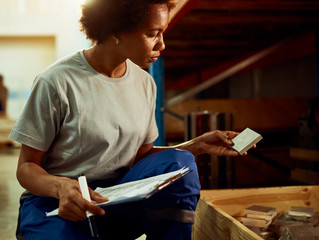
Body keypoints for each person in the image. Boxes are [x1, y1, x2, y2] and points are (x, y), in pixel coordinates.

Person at [9, 0, 249, 239]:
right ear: (116, 31)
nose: (162, 44)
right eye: (153, 34)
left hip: (117, 198)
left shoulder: (145, 83)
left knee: (181, 162)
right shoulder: (56, 82)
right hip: (58, 203)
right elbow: (26, 168)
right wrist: (61, 187)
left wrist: (196, 146)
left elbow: (141, 157)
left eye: (162, 33)